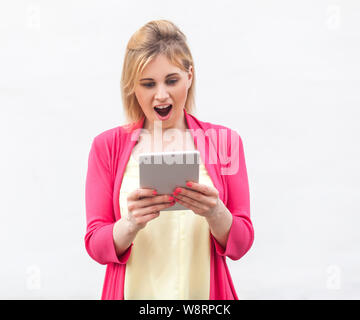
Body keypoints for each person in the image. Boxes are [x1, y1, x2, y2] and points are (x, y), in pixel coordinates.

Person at [84, 19, 254, 300]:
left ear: (190, 75)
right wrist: (130, 223)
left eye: (172, 80)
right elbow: (95, 245)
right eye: (148, 84)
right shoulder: (106, 147)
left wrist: (215, 212)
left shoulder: (225, 142)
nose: (161, 95)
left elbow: (241, 244)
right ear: (132, 87)